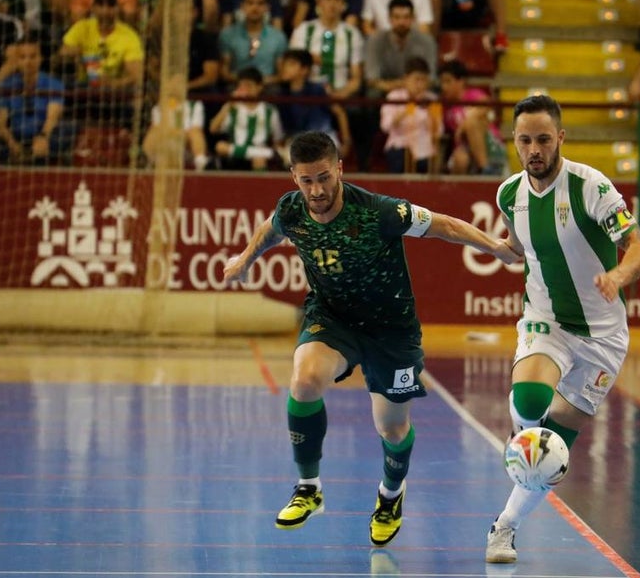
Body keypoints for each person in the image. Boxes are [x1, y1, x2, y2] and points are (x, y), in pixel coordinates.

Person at [221, 131, 521, 547]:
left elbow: (444, 225)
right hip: (333, 319)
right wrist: (244, 258)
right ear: (293, 177)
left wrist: (496, 248)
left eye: (324, 177)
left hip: (391, 329)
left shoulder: (380, 212)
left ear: (339, 169)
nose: (317, 189)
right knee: (305, 380)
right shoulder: (293, 209)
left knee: (392, 428)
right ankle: (308, 488)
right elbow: (270, 229)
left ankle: (390, 497)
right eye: (307, 180)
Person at [484, 94, 640, 564]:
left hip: (603, 336)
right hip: (547, 319)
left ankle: (505, 526)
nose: (534, 149)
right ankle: (524, 437)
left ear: (560, 137)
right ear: (513, 143)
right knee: (530, 402)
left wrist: (618, 276)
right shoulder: (509, 194)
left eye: (543, 138)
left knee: (553, 451)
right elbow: (518, 246)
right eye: (525, 140)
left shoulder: (591, 187)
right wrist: (497, 247)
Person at [0, 36, 73, 164]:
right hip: (15, 136)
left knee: (59, 135)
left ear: (40, 58)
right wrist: (13, 144)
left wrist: (43, 137)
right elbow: (1, 124)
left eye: (33, 56)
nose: (28, 62)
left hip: (44, 134)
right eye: (23, 57)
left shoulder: (54, 84)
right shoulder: (7, 85)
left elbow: (52, 118)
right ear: (16, 61)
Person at [208, 66, 285, 170]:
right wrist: (227, 105)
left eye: (249, 86)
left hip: (260, 156)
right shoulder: (232, 108)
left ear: (259, 87)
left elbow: (278, 140)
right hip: (235, 155)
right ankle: (256, 152)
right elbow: (213, 129)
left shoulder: (270, 111)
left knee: (260, 160)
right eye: (241, 86)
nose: (245, 90)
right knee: (220, 146)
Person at [379, 55, 439, 172]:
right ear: (406, 79)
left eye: (424, 80)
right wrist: (408, 108)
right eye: (416, 79)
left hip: (425, 149)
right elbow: (385, 126)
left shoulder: (432, 100)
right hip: (400, 146)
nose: (420, 85)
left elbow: (439, 130)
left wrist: (428, 110)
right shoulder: (394, 97)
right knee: (400, 159)